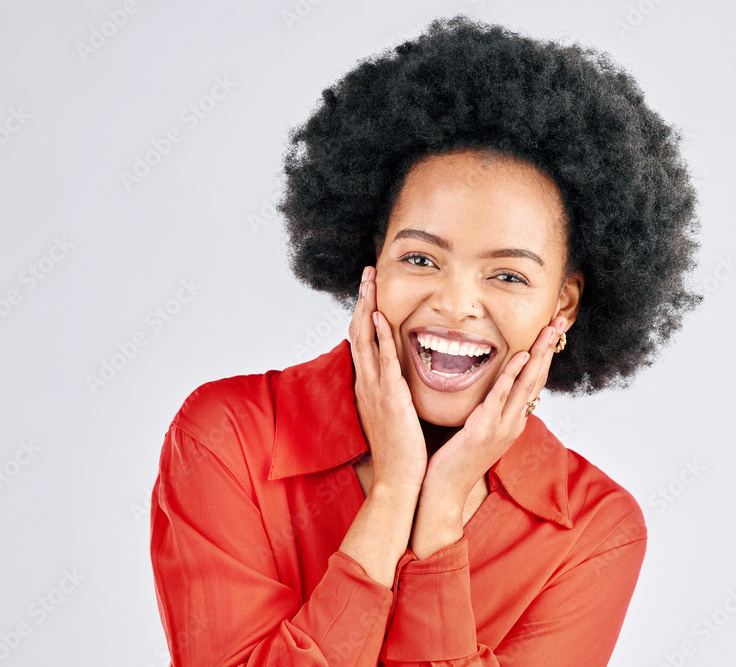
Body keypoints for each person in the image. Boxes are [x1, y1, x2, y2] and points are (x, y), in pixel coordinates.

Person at [149, 15, 700, 666]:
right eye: (419, 259)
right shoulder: (229, 436)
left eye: (507, 274)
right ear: (372, 259)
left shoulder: (591, 529)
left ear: (565, 304)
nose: (455, 304)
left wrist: (438, 517)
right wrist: (392, 492)